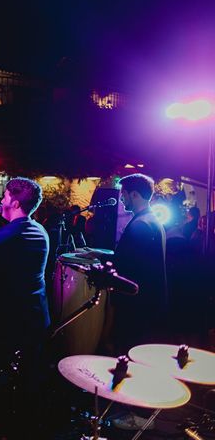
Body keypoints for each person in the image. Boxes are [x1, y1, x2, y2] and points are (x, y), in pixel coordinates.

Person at [0, 177, 50, 439]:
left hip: (10, 318)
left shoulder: (6, 236)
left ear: (15, 202)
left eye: (5, 196)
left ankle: (1, 426)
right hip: (36, 315)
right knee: (29, 375)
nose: (1, 201)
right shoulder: (39, 231)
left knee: (1, 375)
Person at [105, 173, 167, 431]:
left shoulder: (141, 225)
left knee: (130, 354)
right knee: (137, 355)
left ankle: (137, 414)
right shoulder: (152, 221)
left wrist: (107, 268)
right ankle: (139, 411)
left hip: (136, 305)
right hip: (147, 304)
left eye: (124, 194)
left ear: (134, 194)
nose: (121, 200)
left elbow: (128, 267)